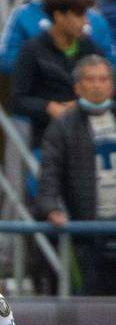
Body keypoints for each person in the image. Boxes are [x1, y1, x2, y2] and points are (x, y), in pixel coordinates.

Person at [36, 55, 116, 295]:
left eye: (103, 79)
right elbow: (50, 171)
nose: (97, 85)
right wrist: (51, 207)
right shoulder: (63, 126)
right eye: (90, 79)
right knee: (92, 295)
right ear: (77, 87)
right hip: (88, 229)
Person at [12, 0, 103, 147]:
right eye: (79, 15)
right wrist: (48, 107)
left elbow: (109, 93)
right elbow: (18, 100)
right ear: (59, 16)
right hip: (47, 142)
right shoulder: (32, 50)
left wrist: (82, 105)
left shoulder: (91, 49)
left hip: (88, 143)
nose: (86, 22)